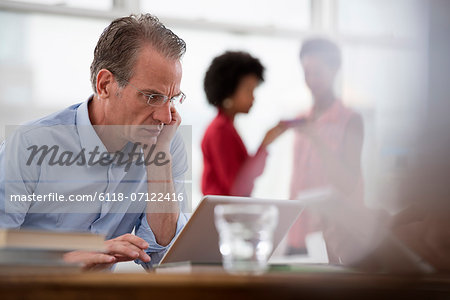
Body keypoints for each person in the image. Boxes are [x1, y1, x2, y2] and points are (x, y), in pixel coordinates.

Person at [0, 14, 189, 270]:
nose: (165, 116)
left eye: (172, 99)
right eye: (152, 96)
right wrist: (67, 262)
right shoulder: (29, 145)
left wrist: (159, 159)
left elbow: (161, 260)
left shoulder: (164, 140)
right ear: (105, 85)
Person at [286, 38, 364, 257]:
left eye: (317, 72)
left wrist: (318, 141)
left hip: (337, 237)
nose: (311, 80)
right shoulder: (301, 119)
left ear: (335, 69)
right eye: (306, 72)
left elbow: (349, 182)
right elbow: (298, 181)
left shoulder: (351, 120)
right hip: (299, 234)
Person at [201, 51, 286, 196]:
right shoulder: (220, 130)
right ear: (229, 90)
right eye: (248, 90)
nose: (253, 98)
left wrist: (266, 142)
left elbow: (245, 176)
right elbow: (238, 187)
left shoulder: (226, 127)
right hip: (222, 214)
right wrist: (264, 144)